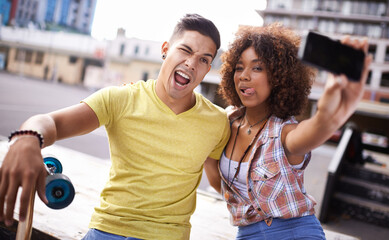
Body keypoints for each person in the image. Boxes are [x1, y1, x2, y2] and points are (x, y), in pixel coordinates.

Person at [0, 14, 230, 240]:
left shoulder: (217, 122)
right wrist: (28, 138)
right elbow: (52, 123)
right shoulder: (120, 99)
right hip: (107, 231)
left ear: (208, 69)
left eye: (203, 59)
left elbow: (220, 180)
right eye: (185, 50)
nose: (191, 64)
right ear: (165, 49)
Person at [204, 23, 372, 239]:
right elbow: (221, 186)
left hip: (295, 232)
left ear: (278, 76)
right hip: (247, 233)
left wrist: (330, 115)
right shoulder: (225, 122)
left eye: (257, 67)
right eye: (239, 67)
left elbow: (315, 128)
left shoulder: (284, 131)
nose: (244, 76)